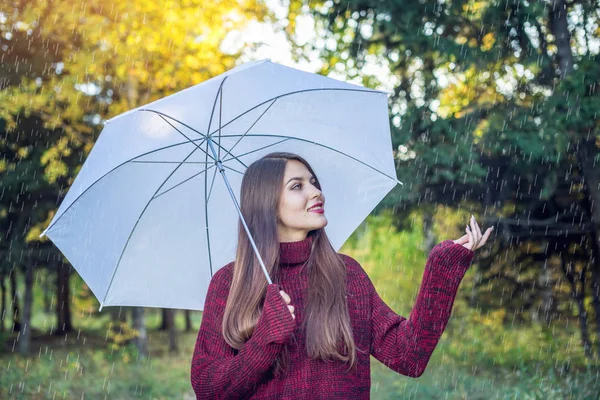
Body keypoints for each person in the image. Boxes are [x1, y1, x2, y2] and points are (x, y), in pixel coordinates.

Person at [190, 152, 493, 399]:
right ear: (266, 204)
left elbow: (409, 356)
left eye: (313, 182)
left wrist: (442, 268)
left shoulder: (346, 274)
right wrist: (265, 339)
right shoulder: (230, 283)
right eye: (297, 186)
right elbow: (208, 388)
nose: (316, 191)